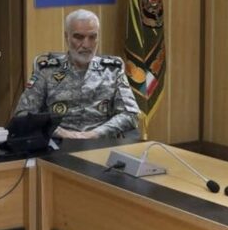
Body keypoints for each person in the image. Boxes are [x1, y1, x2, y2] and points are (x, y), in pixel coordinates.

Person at [14, 9, 139, 139]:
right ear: (66, 37)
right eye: (79, 37)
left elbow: (130, 115)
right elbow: (23, 114)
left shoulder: (113, 71)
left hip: (101, 143)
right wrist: (59, 132)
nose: (86, 45)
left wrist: (95, 134)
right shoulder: (46, 71)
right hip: (58, 142)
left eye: (92, 37)